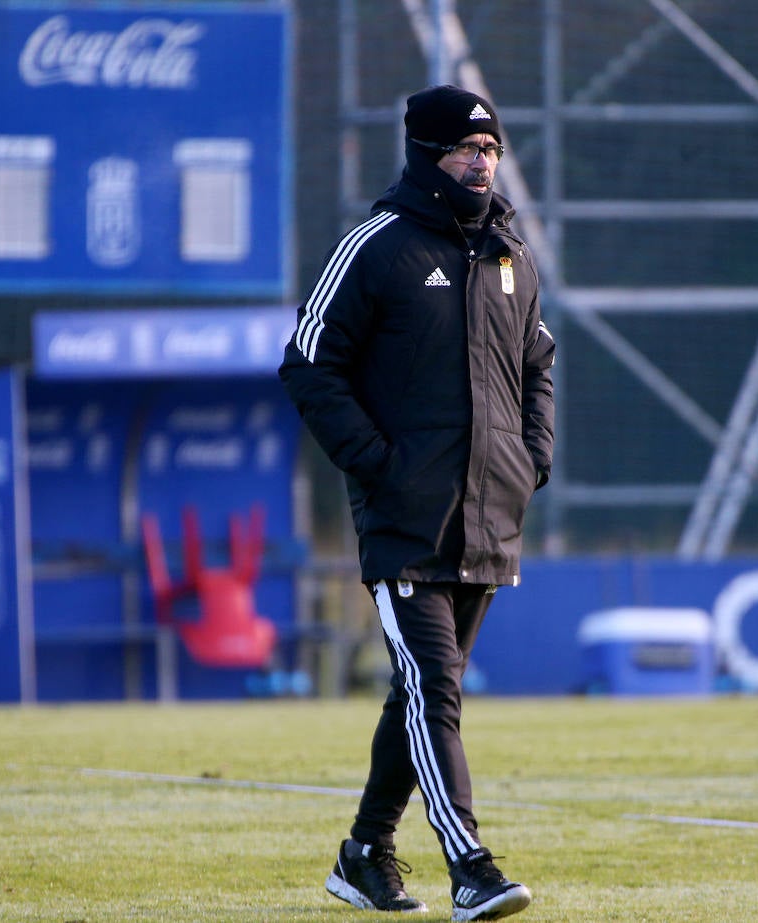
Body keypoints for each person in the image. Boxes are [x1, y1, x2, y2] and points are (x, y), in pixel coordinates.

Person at [279, 85, 554, 920]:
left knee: (418, 695)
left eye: (493, 150)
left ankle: (364, 853)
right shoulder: (376, 246)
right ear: (428, 154)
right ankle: (471, 865)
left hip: (488, 515)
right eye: (468, 150)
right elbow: (306, 361)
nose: (483, 162)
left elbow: (539, 363)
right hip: (403, 521)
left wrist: (530, 458)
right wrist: (374, 463)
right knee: (435, 684)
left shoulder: (511, 255)